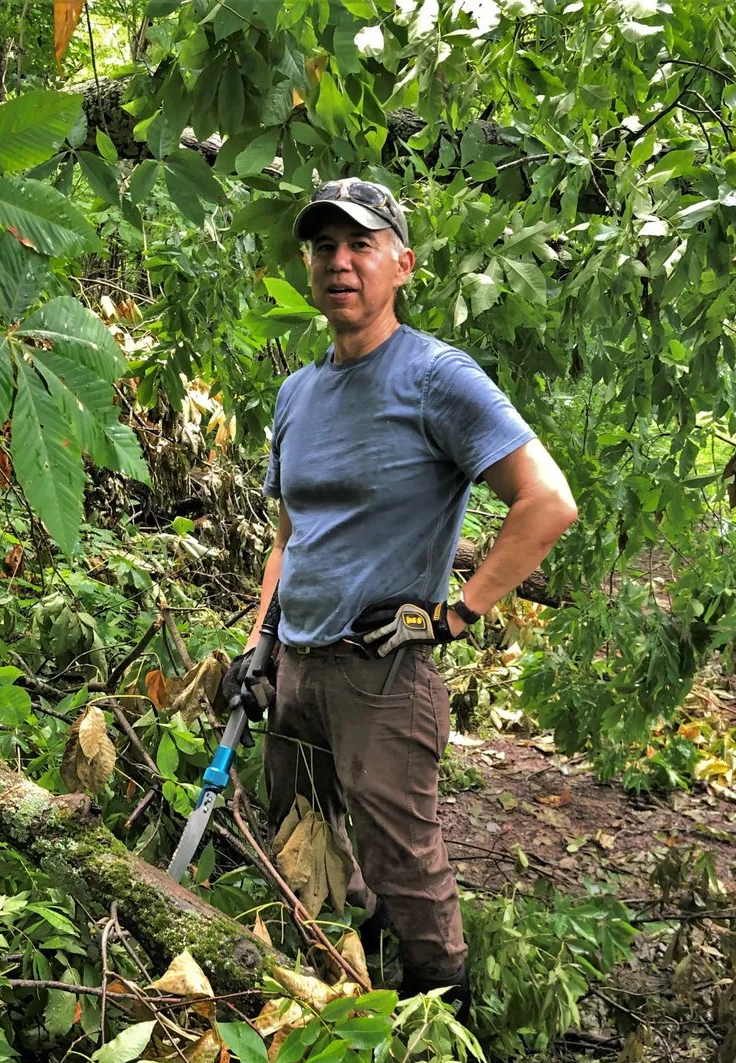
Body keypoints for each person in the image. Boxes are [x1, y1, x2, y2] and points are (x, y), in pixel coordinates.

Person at [222, 178, 577, 1019]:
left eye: (360, 246)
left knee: (405, 864)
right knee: (307, 845)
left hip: (383, 677)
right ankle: (344, 997)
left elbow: (547, 501)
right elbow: (288, 536)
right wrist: (255, 645)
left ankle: (439, 1041)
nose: (339, 263)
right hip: (297, 670)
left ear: (401, 264)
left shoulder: (436, 377)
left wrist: (456, 613)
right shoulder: (297, 394)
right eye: (323, 247)